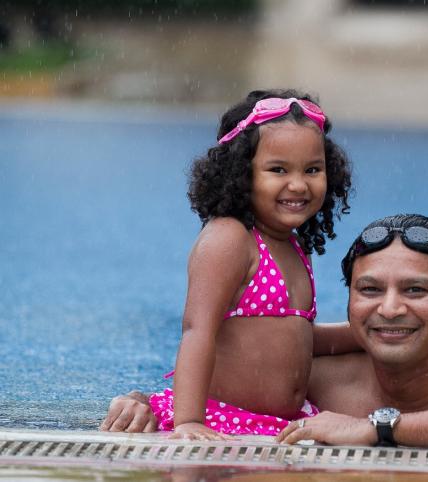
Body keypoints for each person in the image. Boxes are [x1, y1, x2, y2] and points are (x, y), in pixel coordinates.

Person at [102, 214, 428, 453]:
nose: (389, 308)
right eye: (369, 289)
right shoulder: (320, 377)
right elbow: (228, 392)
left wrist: (376, 429)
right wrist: (143, 403)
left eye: (415, 290)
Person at [127, 89, 354, 440]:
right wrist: (190, 421)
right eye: (278, 169)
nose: (298, 184)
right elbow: (197, 330)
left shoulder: (293, 245)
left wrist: (364, 333)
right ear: (240, 173)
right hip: (223, 418)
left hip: (281, 422)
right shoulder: (231, 238)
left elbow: (292, 336)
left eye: (313, 169)